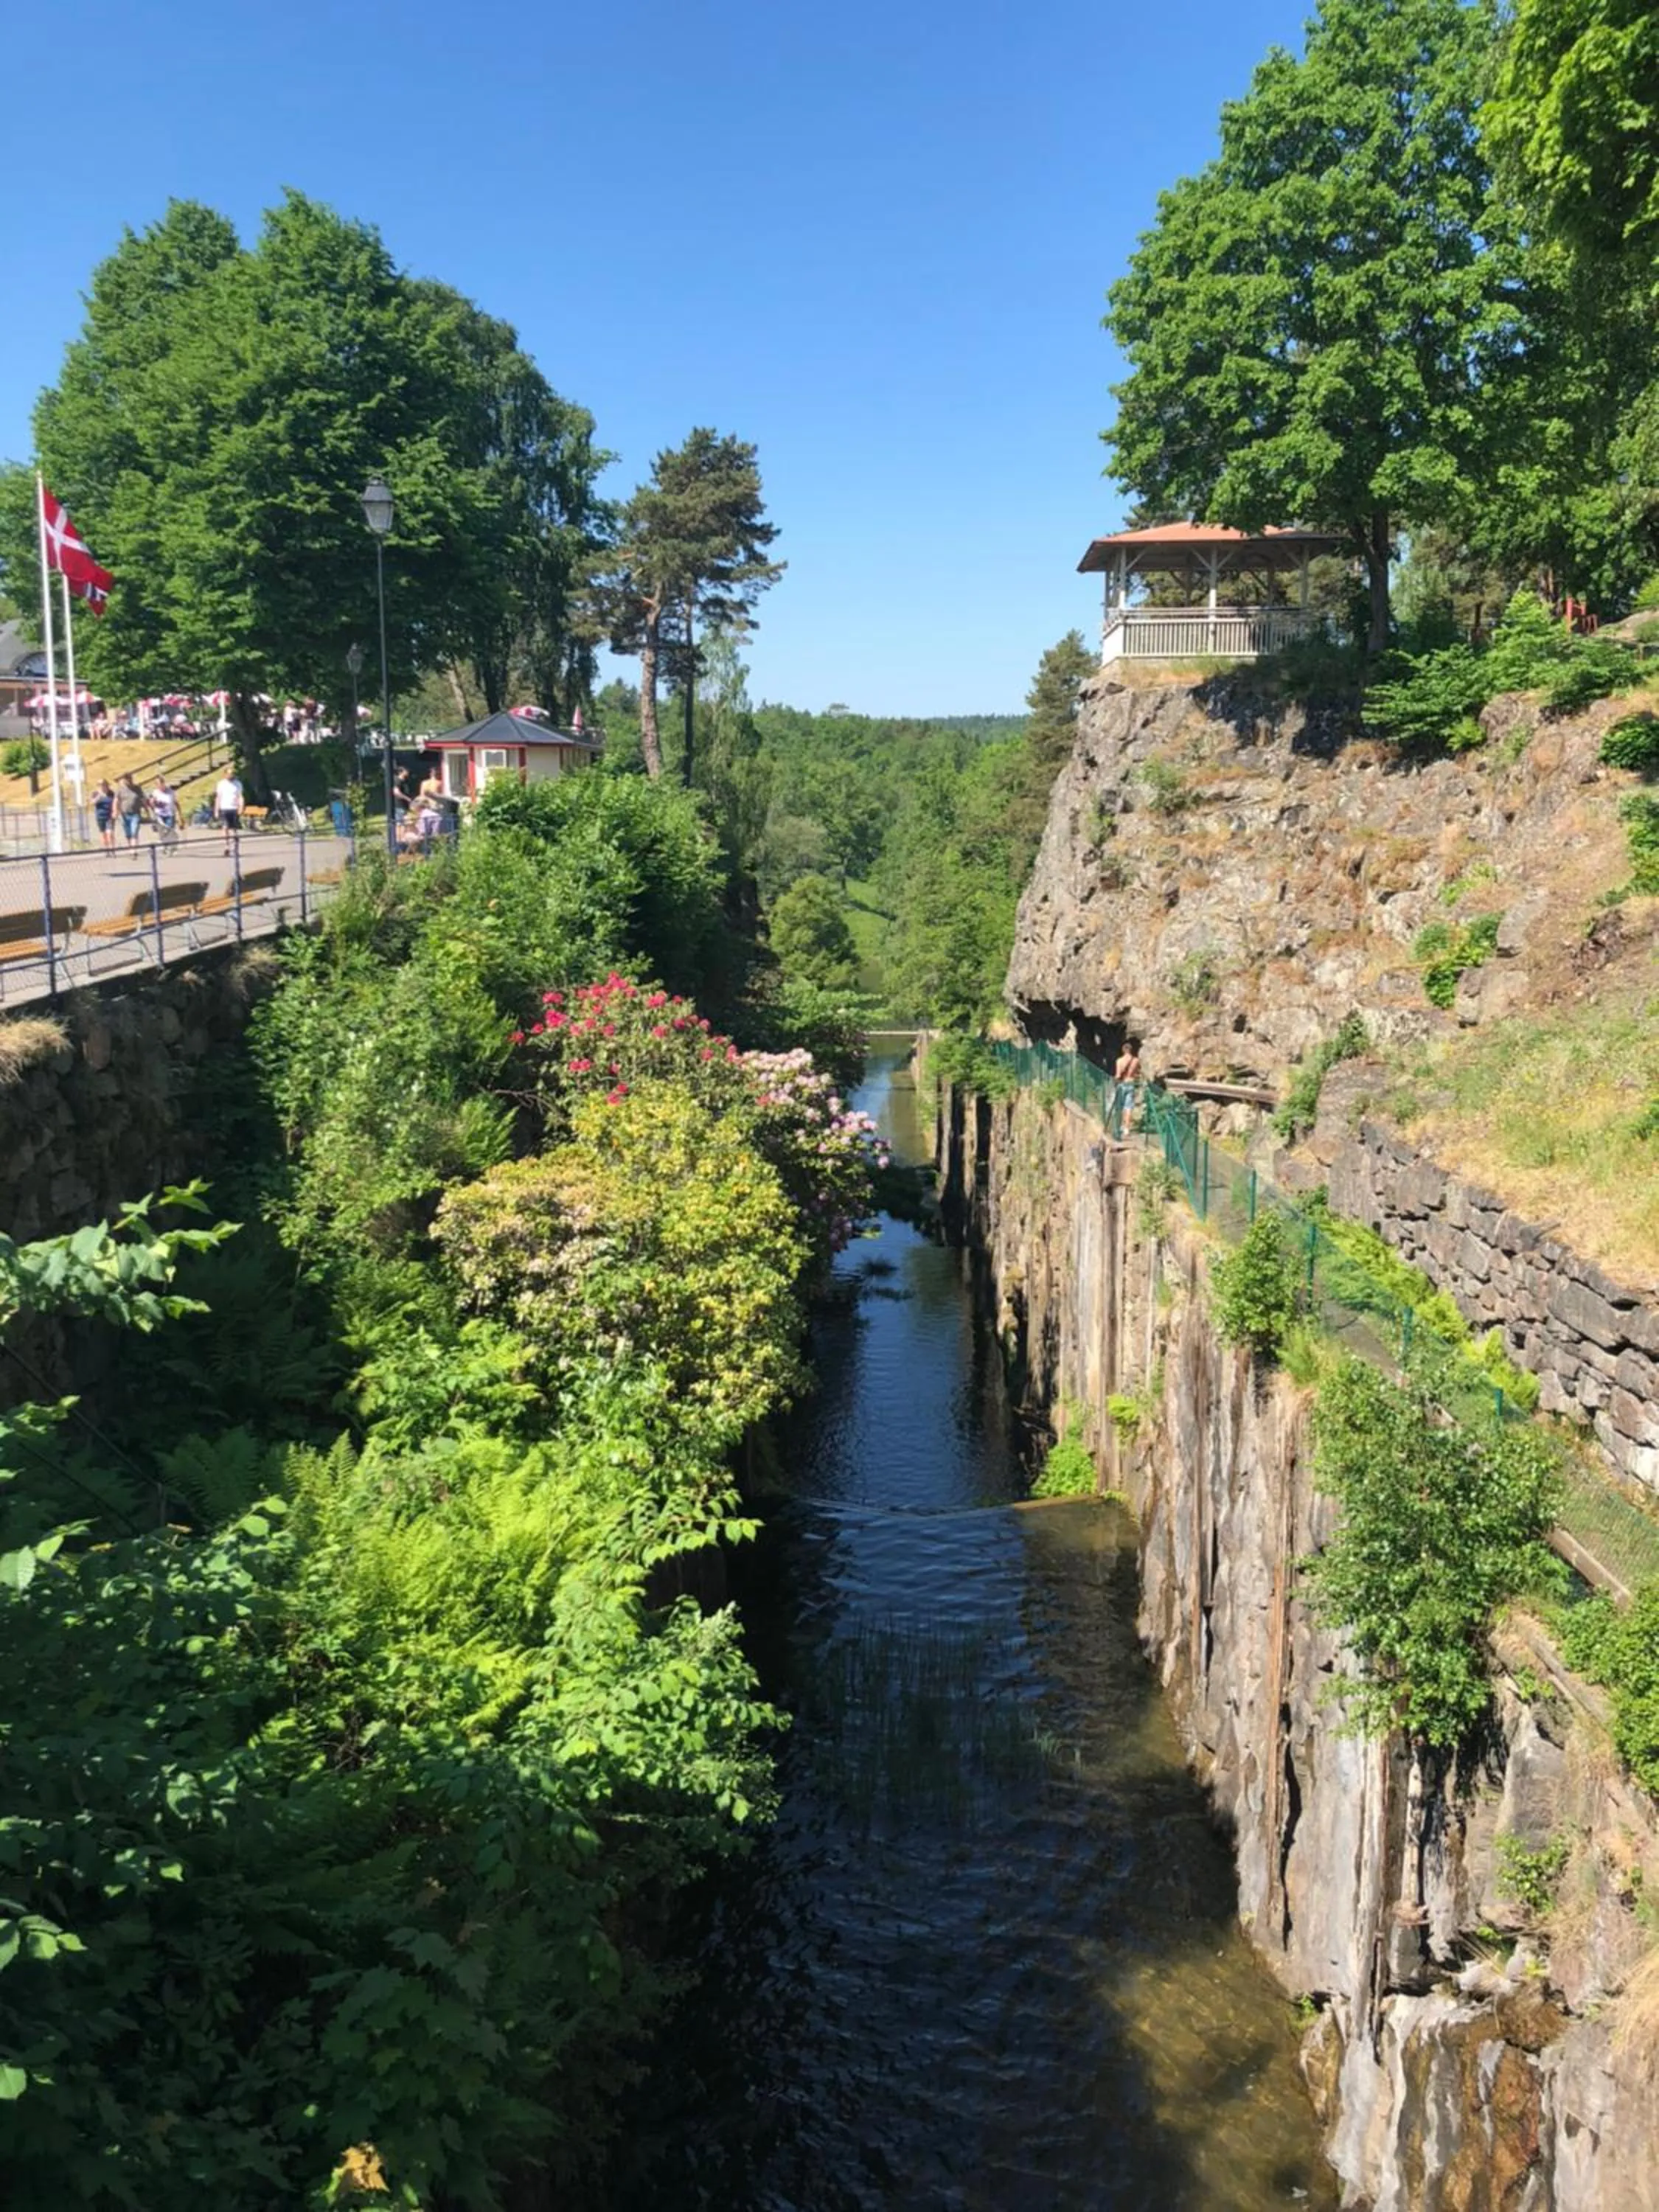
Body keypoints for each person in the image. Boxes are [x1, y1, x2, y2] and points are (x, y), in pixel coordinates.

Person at [1113, 1040, 1143, 1127]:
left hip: (1122, 1084)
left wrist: (1115, 1081)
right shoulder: (1136, 1061)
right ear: (1131, 1050)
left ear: (1123, 1050)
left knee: (1120, 1105)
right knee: (1129, 1107)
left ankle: (1121, 1126)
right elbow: (1137, 1072)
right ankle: (1127, 1128)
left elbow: (1118, 1075)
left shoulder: (1119, 1061)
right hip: (1131, 1084)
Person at [215, 769, 244, 855]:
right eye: (229, 774)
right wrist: (216, 810)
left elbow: (240, 796)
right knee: (225, 827)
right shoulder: (221, 784)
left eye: (232, 774)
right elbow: (218, 797)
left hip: (234, 808)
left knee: (234, 829)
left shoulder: (238, 784)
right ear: (225, 775)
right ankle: (227, 846)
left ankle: (235, 846)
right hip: (224, 808)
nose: (230, 775)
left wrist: (241, 807)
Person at [148, 775, 180, 849]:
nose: (159, 786)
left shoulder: (171, 792)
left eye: (161, 784)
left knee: (169, 830)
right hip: (159, 815)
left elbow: (176, 803)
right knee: (161, 832)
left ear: (163, 783)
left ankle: (170, 844)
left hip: (170, 815)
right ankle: (165, 845)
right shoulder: (155, 792)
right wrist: (152, 803)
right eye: (157, 785)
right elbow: (152, 805)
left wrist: (179, 815)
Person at [116, 773, 146, 846]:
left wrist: (146, 809)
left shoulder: (137, 788)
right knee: (128, 833)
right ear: (124, 780)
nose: (129, 781)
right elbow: (116, 801)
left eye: (130, 779)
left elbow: (143, 799)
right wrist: (116, 811)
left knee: (134, 832)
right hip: (124, 814)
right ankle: (131, 847)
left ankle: (134, 850)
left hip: (135, 814)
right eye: (127, 779)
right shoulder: (120, 790)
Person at [93, 779, 116, 852]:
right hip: (100, 816)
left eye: (104, 785)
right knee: (104, 834)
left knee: (110, 832)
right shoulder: (95, 793)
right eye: (100, 785)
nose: (102, 787)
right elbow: (92, 803)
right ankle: (107, 849)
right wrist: (99, 797)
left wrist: (115, 811)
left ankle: (112, 848)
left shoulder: (111, 793)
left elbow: (115, 802)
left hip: (109, 816)